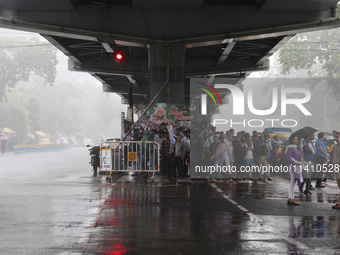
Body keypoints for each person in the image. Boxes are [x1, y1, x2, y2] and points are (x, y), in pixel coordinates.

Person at [286, 135, 303, 206]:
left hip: (296, 166)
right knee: (292, 182)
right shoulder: (290, 148)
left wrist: (300, 159)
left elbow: (297, 156)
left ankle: (290, 198)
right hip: (291, 166)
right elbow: (288, 159)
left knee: (293, 182)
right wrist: (297, 162)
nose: (296, 140)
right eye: (295, 139)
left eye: (297, 139)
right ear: (292, 140)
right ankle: (292, 198)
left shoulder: (296, 148)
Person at [331, 131, 340, 209]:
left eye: (337, 137)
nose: (336, 138)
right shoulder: (337, 145)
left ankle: (339, 202)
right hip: (337, 166)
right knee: (338, 183)